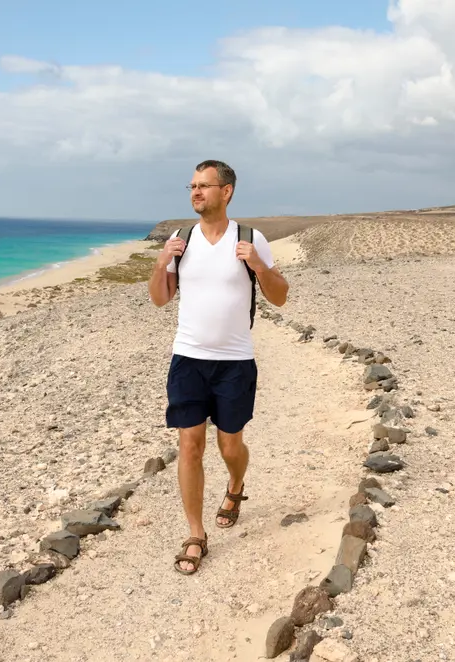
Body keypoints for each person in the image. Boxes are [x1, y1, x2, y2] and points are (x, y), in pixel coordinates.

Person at [148, 159, 289, 575]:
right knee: (189, 445)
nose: (195, 193)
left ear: (226, 192)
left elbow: (280, 297)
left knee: (230, 447)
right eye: (192, 186)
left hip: (235, 363)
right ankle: (195, 533)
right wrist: (160, 264)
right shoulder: (181, 238)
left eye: (204, 186)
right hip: (188, 359)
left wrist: (259, 266)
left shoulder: (250, 238)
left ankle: (235, 485)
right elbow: (160, 299)